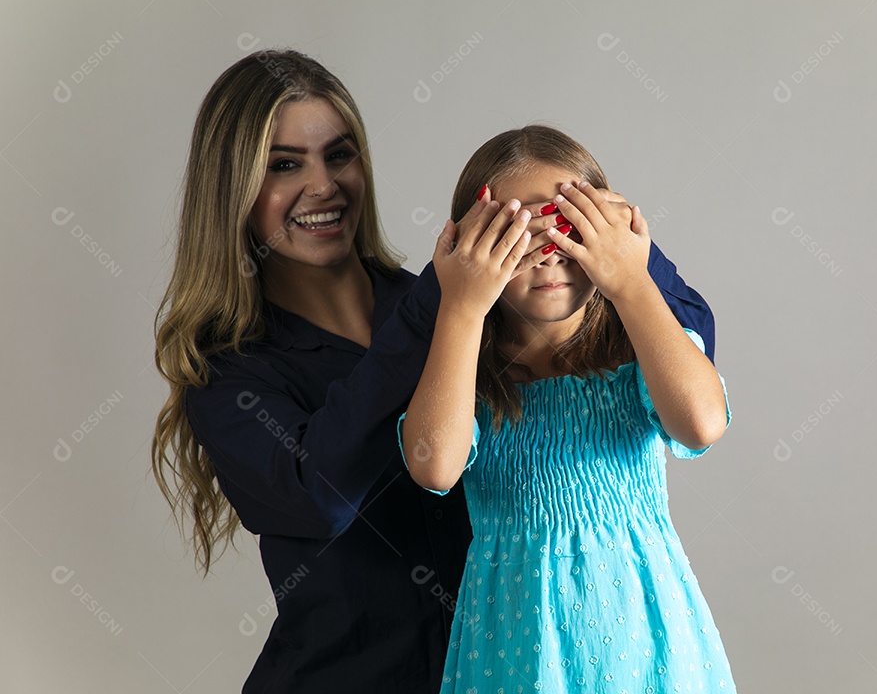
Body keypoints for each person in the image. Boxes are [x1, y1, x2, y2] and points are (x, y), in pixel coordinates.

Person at [150, 49, 719, 693]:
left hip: (513, 669)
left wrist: (600, 232)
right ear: (235, 190)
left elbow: (680, 351)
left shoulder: (464, 305)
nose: (323, 185)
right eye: (285, 164)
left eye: (339, 155)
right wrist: (449, 303)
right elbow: (320, 495)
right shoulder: (230, 375)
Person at [399, 125, 737, 692]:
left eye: (572, 227)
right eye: (515, 235)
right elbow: (434, 466)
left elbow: (702, 425)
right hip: (514, 651)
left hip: (649, 644)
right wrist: (459, 304)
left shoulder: (638, 350)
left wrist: (631, 278)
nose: (548, 255)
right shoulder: (461, 373)